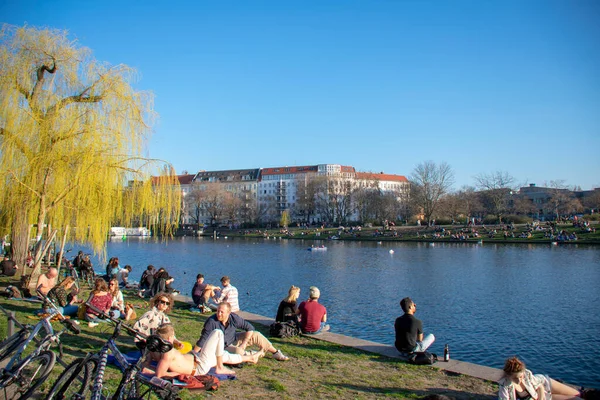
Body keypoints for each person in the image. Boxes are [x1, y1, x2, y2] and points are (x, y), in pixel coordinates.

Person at [143, 323, 262, 378]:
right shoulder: (167, 353)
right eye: (173, 336)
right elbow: (160, 374)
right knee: (217, 333)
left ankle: (251, 358)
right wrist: (178, 373)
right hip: (199, 367)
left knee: (222, 355)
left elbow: (147, 363)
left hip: (197, 359)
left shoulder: (156, 349)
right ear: (169, 338)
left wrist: (148, 366)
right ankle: (220, 367)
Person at [194, 302, 289, 361]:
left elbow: (250, 328)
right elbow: (203, 340)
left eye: (222, 312)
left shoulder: (234, 318)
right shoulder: (211, 322)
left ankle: (275, 353)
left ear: (228, 313)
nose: (219, 314)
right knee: (238, 351)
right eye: (218, 311)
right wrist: (194, 353)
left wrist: (244, 343)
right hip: (221, 347)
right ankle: (253, 354)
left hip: (233, 339)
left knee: (256, 334)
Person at [498, 356, 584, 400]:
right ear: (508, 376)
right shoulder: (505, 386)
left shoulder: (527, 375)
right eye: (516, 378)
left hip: (544, 383)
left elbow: (540, 386)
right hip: (543, 396)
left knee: (578, 394)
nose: (519, 380)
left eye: (521, 377)